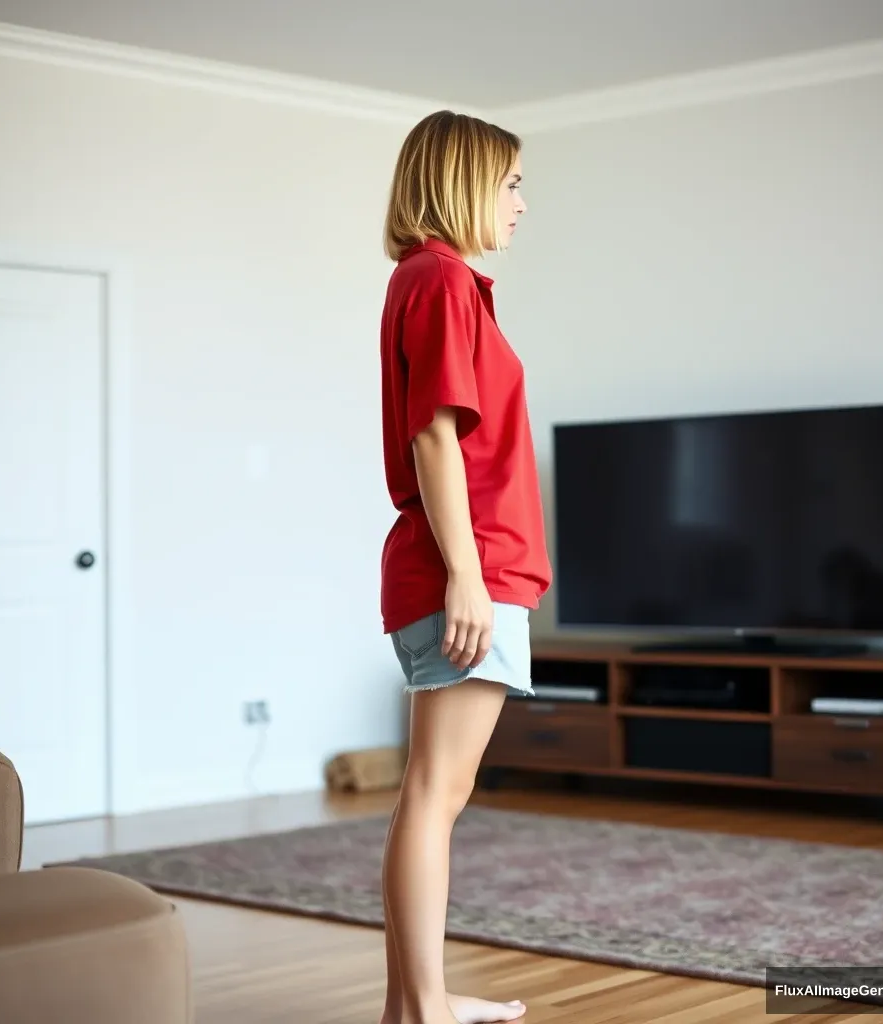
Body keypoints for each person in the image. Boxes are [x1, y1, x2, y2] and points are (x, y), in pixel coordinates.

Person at [376, 110, 552, 1024]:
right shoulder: (442, 279)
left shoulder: (431, 281)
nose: (522, 202)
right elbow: (434, 437)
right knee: (438, 795)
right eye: (512, 181)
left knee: (430, 793)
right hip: (467, 569)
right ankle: (423, 1011)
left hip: (461, 565)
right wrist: (470, 577)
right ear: (465, 181)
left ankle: (420, 1003)